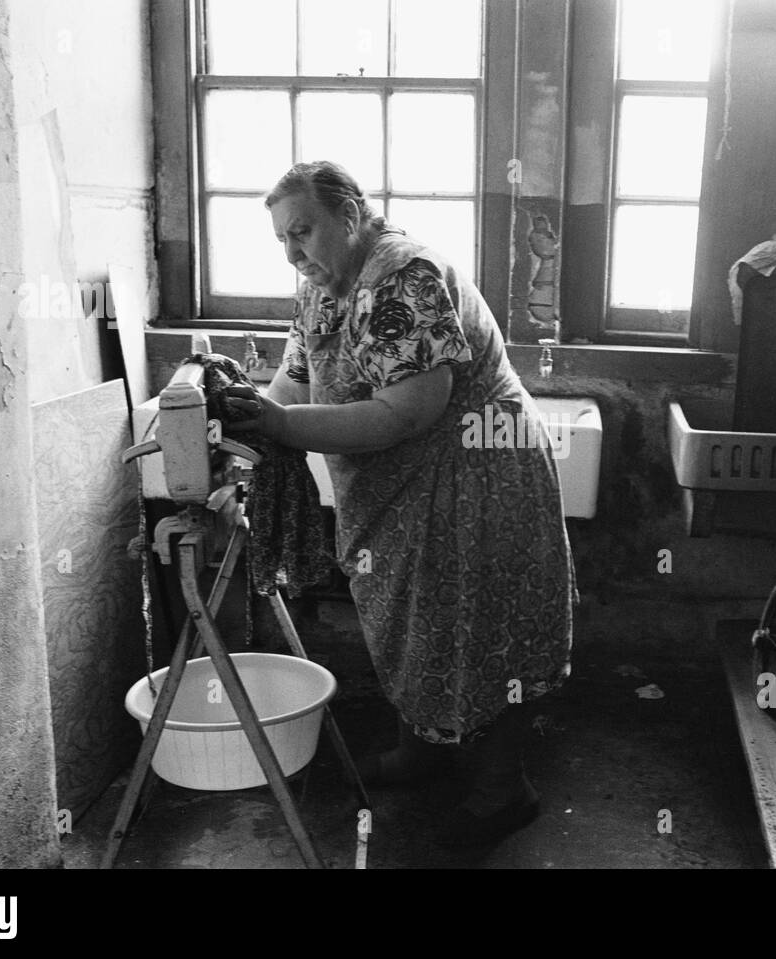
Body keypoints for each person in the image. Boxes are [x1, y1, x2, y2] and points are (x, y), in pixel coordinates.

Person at [223, 160, 575, 846]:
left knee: (473, 630)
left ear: (349, 217)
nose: (295, 253)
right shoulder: (325, 285)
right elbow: (296, 381)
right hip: (405, 489)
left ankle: (506, 789)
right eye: (282, 240)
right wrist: (250, 412)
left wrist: (282, 429)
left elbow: (406, 411)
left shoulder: (401, 277)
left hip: (476, 476)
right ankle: (427, 749)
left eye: (304, 232)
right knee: (414, 627)